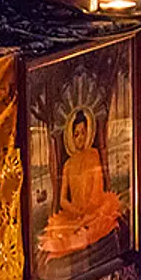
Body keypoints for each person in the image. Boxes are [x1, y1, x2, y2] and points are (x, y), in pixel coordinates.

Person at [39, 109, 123, 258]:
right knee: (58, 234)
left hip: (95, 211)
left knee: (100, 221)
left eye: (83, 133)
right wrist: (77, 212)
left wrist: (88, 213)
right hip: (75, 215)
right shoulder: (67, 165)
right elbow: (63, 200)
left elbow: (98, 188)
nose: (80, 138)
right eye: (76, 134)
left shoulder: (93, 154)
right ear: (71, 137)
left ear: (88, 133)